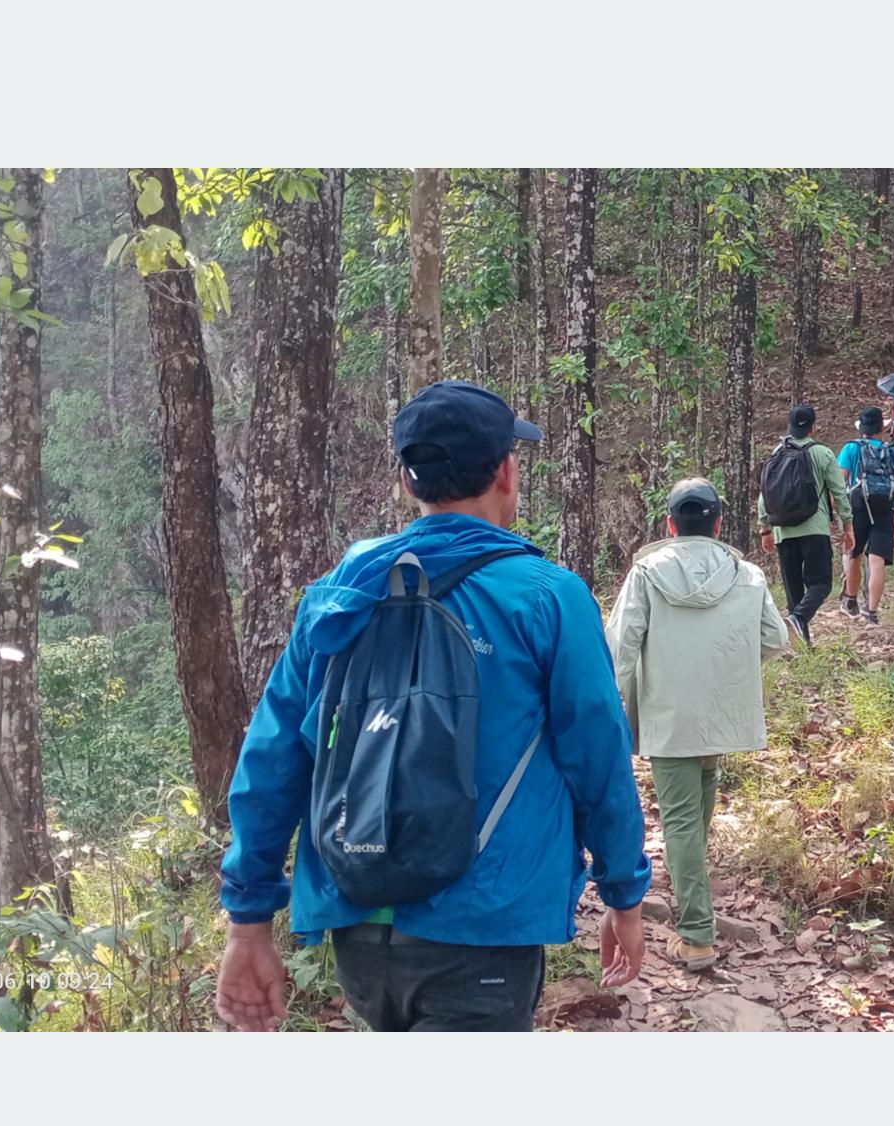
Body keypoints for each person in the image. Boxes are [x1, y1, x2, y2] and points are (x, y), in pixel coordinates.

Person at [214, 380, 651, 1033]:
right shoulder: (547, 597)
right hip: (485, 924)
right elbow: (599, 754)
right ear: (506, 471)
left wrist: (247, 925)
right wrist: (624, 892)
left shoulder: (339, 595)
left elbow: (273, 757)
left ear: (407, 480)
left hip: (356, 921)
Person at [607, 479, 788, 972]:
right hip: (721, 711)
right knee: (698, 805)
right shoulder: (747, 574)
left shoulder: (647, 571)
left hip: (669, 713)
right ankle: (692, 895)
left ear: (669, 525)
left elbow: (620, 648)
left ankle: (696, 935)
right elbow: (775, 638)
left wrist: (612, 711)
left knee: (682, 820)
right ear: (718, 524)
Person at [757, 404, 852, 646]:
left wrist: (765, 529)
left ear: (789, 426)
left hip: (782, 532)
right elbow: (839, 492)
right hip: (814, 528)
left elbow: (764, 493)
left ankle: (801, 644)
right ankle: (798, 619)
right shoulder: (822, 453)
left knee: (794, 591)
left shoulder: (778, 452)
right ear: (813, 427)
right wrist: (847, 526)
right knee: (821, 583)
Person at [838, 406, 894, 625]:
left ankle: (851, 601)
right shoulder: (892, 452)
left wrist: (840, 514)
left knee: (854, 554)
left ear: (862, 429)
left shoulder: (851, 449)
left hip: (857, 506)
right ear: (882, 428)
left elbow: (840, 481)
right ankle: (873, 611)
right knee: (876, 559)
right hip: (884, 508)